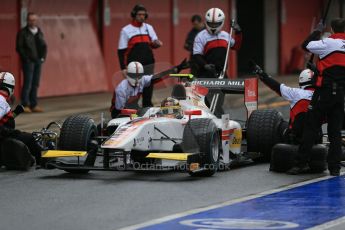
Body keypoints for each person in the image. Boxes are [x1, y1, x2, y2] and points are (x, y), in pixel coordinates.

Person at [287, 18, 345, 176]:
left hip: (323, 93)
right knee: (335, 132)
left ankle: (301, 164)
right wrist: (318, 69)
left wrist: (317, 31)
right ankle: (335, 168)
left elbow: (305, 45)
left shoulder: (327, 43)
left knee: (310, 127)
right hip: (340, 94)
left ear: (332, 30)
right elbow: (336, 68)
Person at [192, 7, 242, 117]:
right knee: (208, 104)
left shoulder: (225, 35)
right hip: (206, 75)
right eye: (211, 24)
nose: (213, 26)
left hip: (221, 75)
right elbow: (196, 55)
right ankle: (218, 121)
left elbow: (236, 46)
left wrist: (238, 33)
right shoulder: (201, 36)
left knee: (217, 102)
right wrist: (205, 65)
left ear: (221, 22)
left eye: (216, 24)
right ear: (206, 22)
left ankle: (217, 122)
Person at [253, 63, 316, 143]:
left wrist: (261, 73)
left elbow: (275, 85)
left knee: (279, 125)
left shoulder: (295, 93)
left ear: (301, 81)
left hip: (296, 138)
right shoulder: (323, 95)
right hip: (315, 137)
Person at [118, 4, 163, 108]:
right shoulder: (126, 30)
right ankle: (131, 106)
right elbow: (121, 51)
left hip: (149, 62)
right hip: (133, 63)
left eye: (144, 14)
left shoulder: (149, 28)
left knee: (148, 84)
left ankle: (147, 106)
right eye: (139, 14)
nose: (142, 16)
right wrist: (123, 68)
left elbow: (153, 43)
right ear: (134, 15)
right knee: (134, 85)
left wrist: (157, 43)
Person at [110, 59, 189, 118]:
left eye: (139, 75)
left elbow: (158, 76)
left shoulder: (143, 80)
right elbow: (120, 109)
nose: (137, 78)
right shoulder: (121, 89)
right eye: (134, 75)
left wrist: (177, 69)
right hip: (119, 113)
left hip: (134, 109)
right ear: (129, 75)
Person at [0, 72, 42, 169]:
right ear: (11, 88)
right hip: (4, 136)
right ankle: (42, 159)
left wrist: (15, 113)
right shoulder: (2, 101)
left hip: (4, 134)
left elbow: (4, 119)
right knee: (30, 138)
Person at [16, 12, 47, 113]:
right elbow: (19, 47)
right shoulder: (23, 33)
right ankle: (25, 104)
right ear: (27, 20)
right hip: (28, 62)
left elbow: (44, 45)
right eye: (30, 20)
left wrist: (43, 57)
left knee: (35, 83)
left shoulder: (39, 31)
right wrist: (26, 58)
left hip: (38, 61)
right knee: (27, 83)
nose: (32, 22)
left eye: (34, 20)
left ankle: (34, 104)